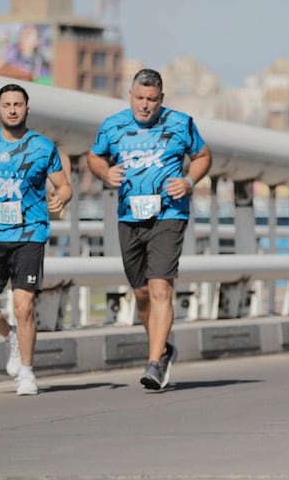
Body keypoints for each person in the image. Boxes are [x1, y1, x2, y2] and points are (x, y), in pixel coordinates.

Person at [88, 68, 212, 390]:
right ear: (130, 95)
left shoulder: (181, 123)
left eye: (152, 100)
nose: (145, 106)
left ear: (161, 99)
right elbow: (94, 157)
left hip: (169, 215)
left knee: (160, 288)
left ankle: (154, 362)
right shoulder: (112, 125)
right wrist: (105, 173)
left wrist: (188, 181)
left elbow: (202, 156)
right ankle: (164, 349)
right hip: (130, 217)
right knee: (141, 293)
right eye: (140, 98)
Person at [0, 83, 72, 396]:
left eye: (18, 104)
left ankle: (26, 372)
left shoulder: (42, 147)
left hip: (29, 234)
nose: (12, 109)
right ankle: (9, 335)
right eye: (7, 104)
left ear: (27, 109)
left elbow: (64, 185)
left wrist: (60, 197)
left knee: (24, 306)